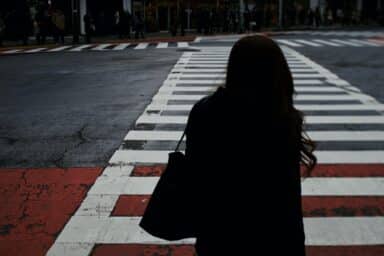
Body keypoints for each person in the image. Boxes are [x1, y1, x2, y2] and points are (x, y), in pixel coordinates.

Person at [184, 35, 316, 255]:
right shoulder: (283, 117)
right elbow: (288, 196)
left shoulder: (206, 112)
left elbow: (195, 174)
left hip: (220, 235)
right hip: (275, 237)